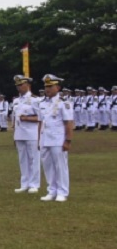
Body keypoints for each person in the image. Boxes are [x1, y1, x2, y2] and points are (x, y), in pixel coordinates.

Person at [38, 74, 73, 202]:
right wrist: (38, 140)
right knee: (48, 166)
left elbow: (68, 123)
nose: (47, 89)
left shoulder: (64, 103)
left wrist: (68, 140)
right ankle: (51, 190)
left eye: (50, 86)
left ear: (57, 87)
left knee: (60, 166)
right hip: (45, 138)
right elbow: (40, 122)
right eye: (46, 86)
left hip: (58, 139)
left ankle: (62, 192)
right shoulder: (42, 103)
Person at [11, 75, 41, 194]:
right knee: (22, 159)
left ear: (28, 85)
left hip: (32, 133)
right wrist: (14, 135)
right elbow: (15, 120)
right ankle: (25, 183)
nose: (19, 87)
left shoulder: (35, 100)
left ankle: (34, 184)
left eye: (21, 85)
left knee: (34, 159)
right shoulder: (16, 101)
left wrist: (27, 118)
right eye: (17, 85)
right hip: (19, 133)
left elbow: (40, 117)